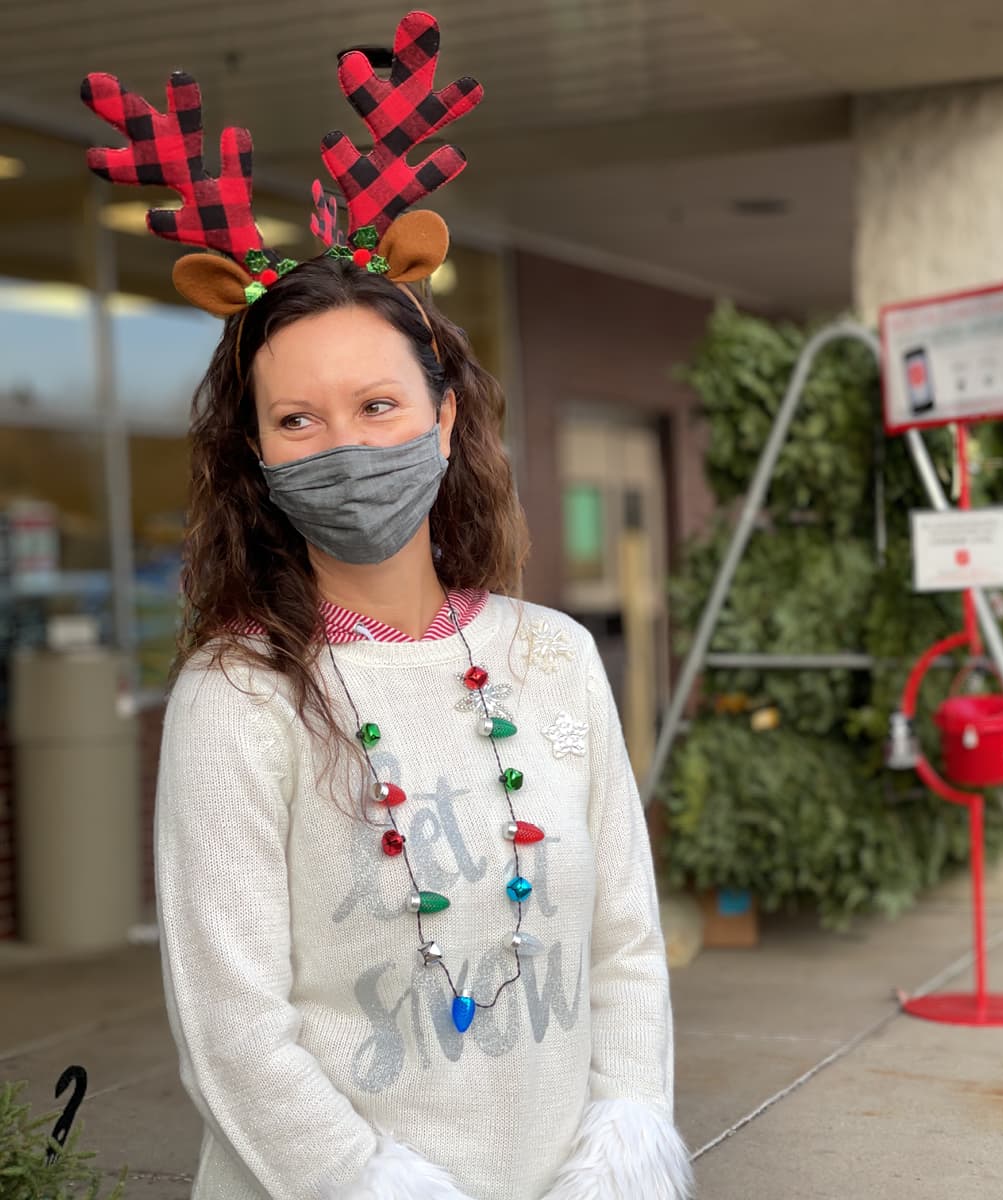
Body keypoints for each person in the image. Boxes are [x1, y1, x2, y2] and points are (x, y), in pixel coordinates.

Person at [82, 12, 692, 1200]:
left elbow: (626, 950)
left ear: (445, 415)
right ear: (255, 457)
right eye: (297, 421)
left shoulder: (553, 660)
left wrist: (615, 1152)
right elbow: (234, 1036)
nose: (343, 446)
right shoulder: (241, 696)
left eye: (376, 406)